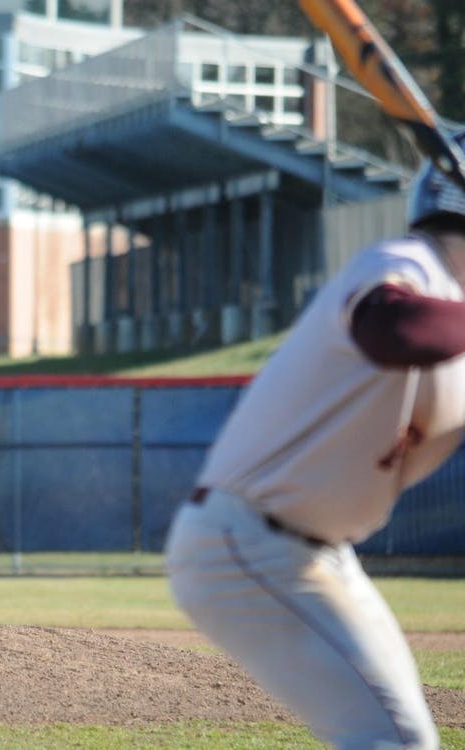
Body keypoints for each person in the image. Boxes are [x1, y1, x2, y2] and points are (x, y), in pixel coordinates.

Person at [165, 133, 465, 750]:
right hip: (246, 543)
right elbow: (393, 330)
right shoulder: (409, 263)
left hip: (317, 555)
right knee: (392, 742)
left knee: (410, 740)